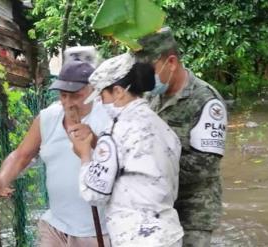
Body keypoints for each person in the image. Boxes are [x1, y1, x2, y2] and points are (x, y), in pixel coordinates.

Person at [0, 59, 111, 247]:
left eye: (75, 95)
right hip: (55, 226)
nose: (68, 103)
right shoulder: (48, 118)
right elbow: (20, 156)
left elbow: (118, 165)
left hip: (97, 232)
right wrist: (1, 179)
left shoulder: (107, 118)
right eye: (63, 95)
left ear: (93, 91)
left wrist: (93, 142)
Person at [71, 53, 184, 247]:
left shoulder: (114, 132)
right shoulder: (164, 128)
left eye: (102, 95)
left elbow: (94, 194)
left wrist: (84, 155)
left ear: (118, 92)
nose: (100, 102)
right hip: (170, 234)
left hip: (136, 238)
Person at [134, 27, 228, 247]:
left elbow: (205, 166)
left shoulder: (206, 101)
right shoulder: (151, 98)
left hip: (193, 212)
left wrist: (148, 169)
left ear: (172, 62)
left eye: (149, 70)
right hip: (158, 206)